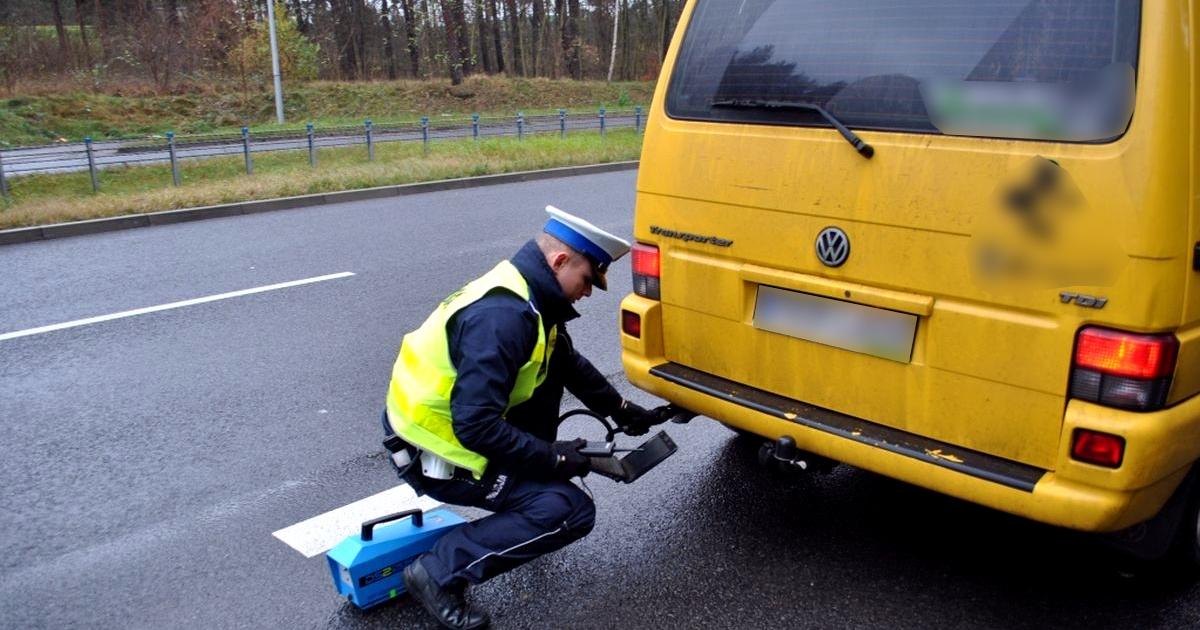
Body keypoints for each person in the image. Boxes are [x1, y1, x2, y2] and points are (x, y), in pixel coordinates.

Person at [381, 205, 663, 630]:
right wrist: (556, 459)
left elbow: (565, 361)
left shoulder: (528, 296)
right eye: (587, 280)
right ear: (560, 261)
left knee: (548, 384)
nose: (586, 293)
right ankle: (438, 572)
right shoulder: (503, 317)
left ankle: (521, 495)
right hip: (436, 451)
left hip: (454, 431)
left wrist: (621, 411)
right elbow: (474, 426)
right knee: (567, 509)